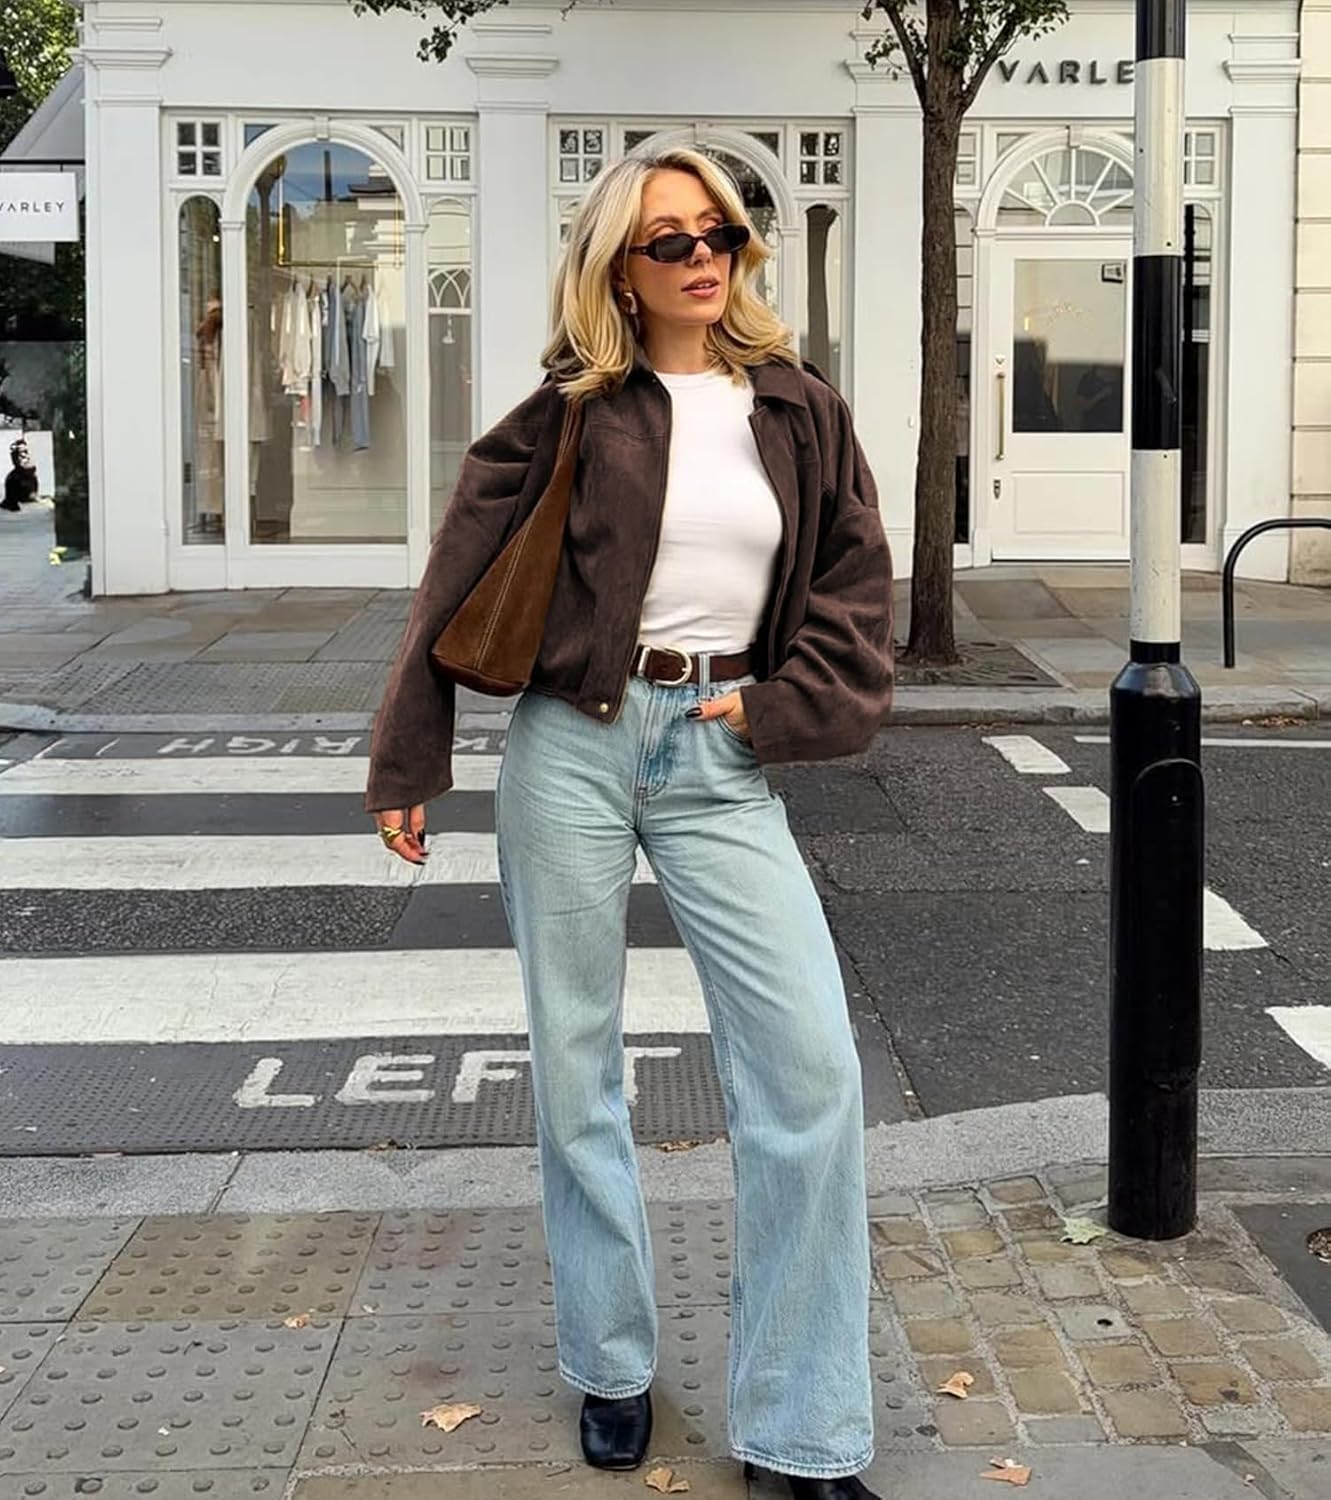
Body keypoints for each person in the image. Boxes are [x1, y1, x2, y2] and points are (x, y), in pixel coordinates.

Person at [365, 148, 894, 1500]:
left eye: (718, 230)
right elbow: (455, 572)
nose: (702, 255)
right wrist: (409, 757)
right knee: (575, 1069)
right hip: (572, 751)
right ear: (617, 267)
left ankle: (800, 1427)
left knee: (808, 1079)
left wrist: (776, 708)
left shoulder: (798, 408)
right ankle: (609, 1362)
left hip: (721, 748)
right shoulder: (570, 413)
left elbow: (854, 584)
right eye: (669, 239)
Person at [2, 439, 39, 511]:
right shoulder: (13, 479)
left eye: (26, 452)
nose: (25, 456)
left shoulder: (32, 476)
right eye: (19, 454)